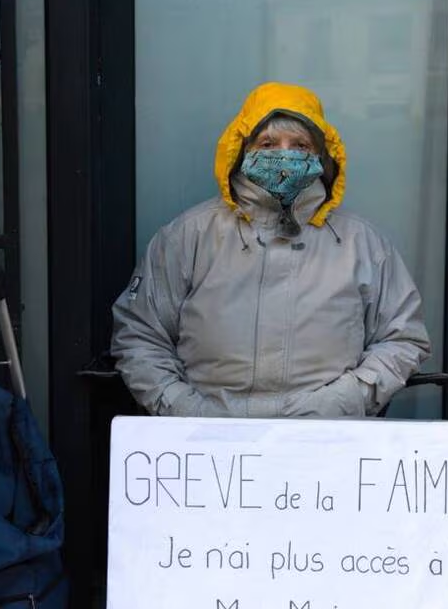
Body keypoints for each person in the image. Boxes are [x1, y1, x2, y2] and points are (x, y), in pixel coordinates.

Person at [111, 82, 431, 418]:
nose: (284, 155)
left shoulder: (361, 243)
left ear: (322, 156)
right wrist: (188, 409)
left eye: (300, 145)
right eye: (267, 143)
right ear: (242, 150)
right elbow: (140, 337)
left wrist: (343, 401)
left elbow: (403, 339)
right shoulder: (188, 236)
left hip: (324, 438)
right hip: (206, 441)